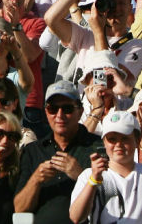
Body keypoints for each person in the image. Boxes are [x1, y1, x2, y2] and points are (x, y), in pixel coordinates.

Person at [14, 80, 101, 224]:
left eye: (67, 109)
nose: (59, 115)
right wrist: (35, 180)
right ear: (46, 112)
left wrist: (81, 176)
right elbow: (20, 209)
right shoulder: (32, 150)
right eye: (53, 109)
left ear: (80, 111)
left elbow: (111, 200)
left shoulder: (97, 147)